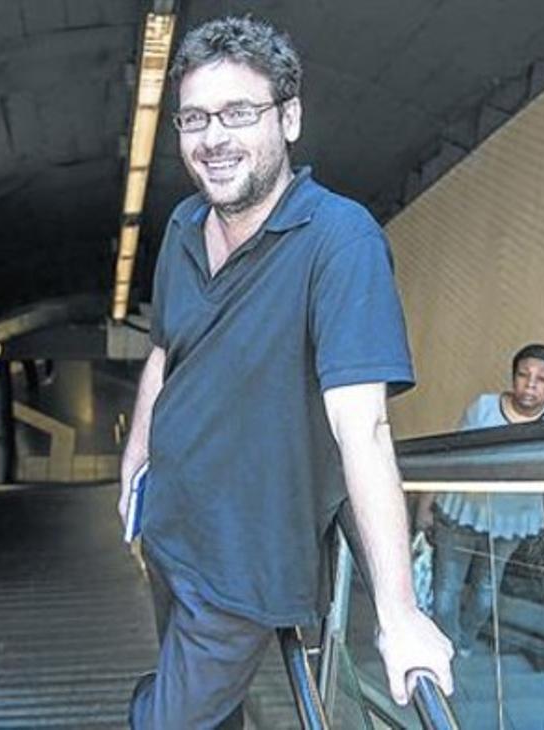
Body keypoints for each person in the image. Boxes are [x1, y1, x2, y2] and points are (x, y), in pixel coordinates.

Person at [118, 16, 452, 728]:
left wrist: (398, 612)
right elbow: (164, 351)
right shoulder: (182, 226)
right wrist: (136, 456)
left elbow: (364, 428)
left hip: (245, 557)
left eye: (239, 112)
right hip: (169, 526)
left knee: (169, 717)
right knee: (208, 708)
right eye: (195, 118)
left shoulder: (340, 240)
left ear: (289, 118)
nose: (213, 137)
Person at [416, 343, 544, 656]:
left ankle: (465, 641)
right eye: (523, 375)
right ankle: (447, 649)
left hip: (512, 520)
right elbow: (450, 456)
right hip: (462, 511)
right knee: (447, 589)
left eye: (541, 379)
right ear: (513, 378)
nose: (530, 385)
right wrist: (425, 504)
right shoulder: (484, 408)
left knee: (485, 590)